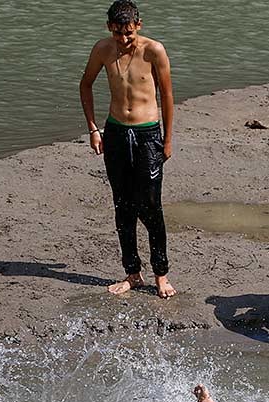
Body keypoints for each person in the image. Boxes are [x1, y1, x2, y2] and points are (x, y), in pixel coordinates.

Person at [79, 0, 176, 298]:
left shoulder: (153, 50)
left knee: (150, 205)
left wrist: (167, 140)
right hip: (117, 132)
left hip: (148, 133)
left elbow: (168, 96)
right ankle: (132, 273)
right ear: (110, 27)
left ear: (139, 25)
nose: (124, 40)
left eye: (129, 34)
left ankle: (161, 274)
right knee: (122, 204)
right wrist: (94, 129)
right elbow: (85, 85)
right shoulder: (102, 49)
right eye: (119, 34)